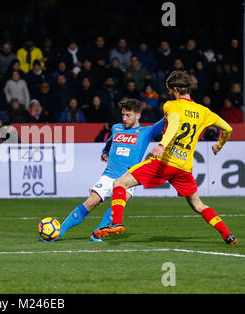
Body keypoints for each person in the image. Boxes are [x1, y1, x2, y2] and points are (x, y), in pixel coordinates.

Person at [96, 70, 237, 245]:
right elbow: (228, 129)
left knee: (119, 183)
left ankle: (116, 222)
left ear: (176, 89)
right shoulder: (204, 111)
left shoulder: (171, 105)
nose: (168, 92)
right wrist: (219, 145)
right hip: (183, 168)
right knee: (198, 205)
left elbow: (174, 125)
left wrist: (162, 145)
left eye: (169, 89)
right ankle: (227, 235)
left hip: (164, 163)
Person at [57, 98, 164, 241]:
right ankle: (59, 232)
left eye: (128, 115)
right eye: (123, 115)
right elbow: (111, 140)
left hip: (129, 178)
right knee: (90, 202)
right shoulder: (116, 128)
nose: (125, 119)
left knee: (117, 206)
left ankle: (97, 233)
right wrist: (105, 150)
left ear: (138, 115)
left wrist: (178, 106)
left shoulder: (146, 132)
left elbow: (167, 120)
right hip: (109, 175)